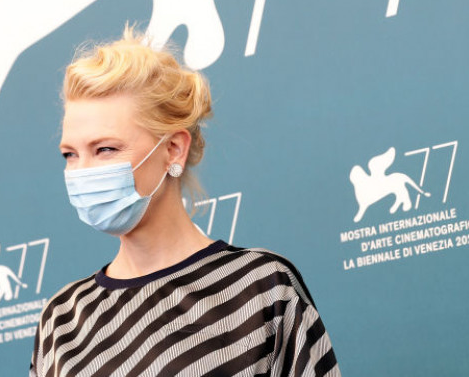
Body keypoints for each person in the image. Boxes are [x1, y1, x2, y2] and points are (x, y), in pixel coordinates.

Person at [30, 27, 340, 377]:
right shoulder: (62, 320)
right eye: (70, 154)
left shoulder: (261, 288)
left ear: (174, 149)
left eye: (105, 149)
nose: (83, 171)